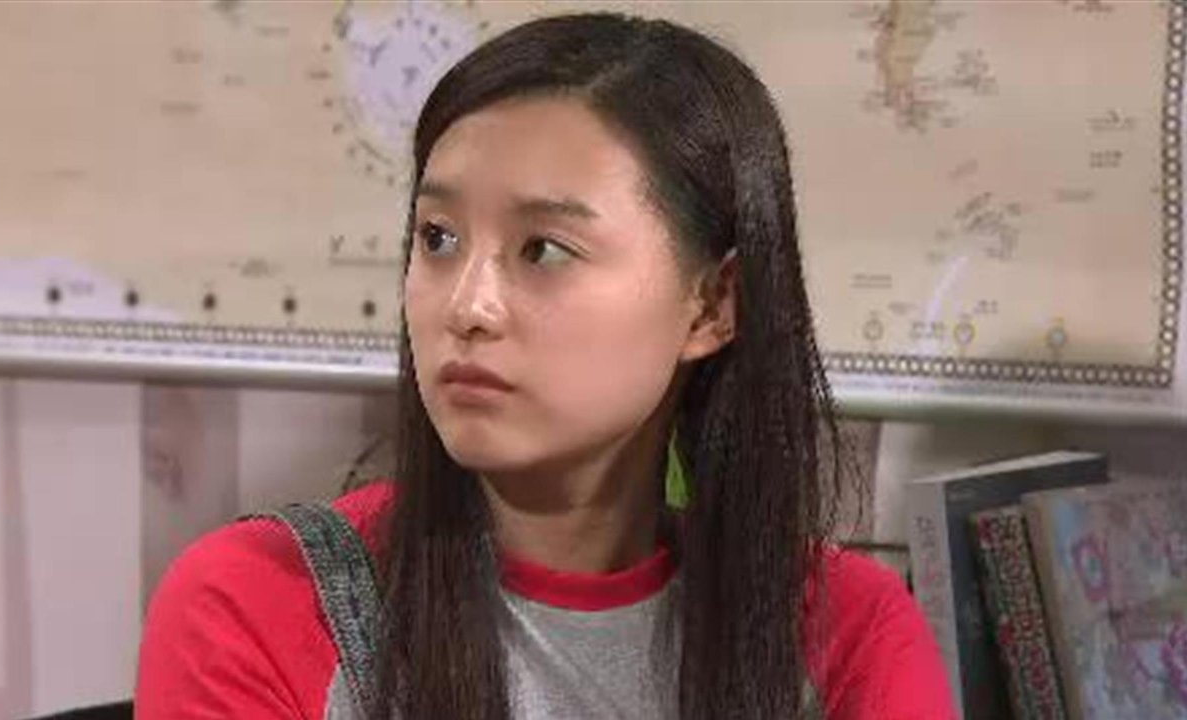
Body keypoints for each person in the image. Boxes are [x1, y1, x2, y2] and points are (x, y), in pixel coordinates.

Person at [136, 13, 955, 720]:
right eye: (438, 238)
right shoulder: (258, 602)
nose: (468, 306)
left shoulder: (847, 633)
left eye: (544, 250)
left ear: (712, 305)